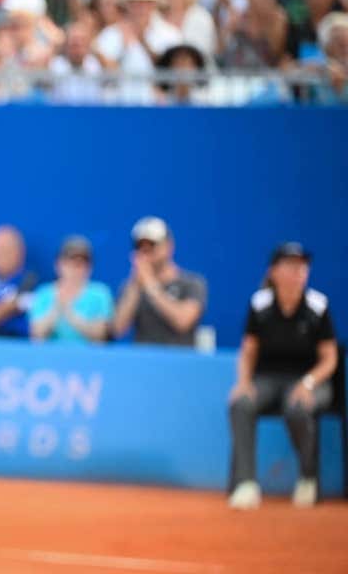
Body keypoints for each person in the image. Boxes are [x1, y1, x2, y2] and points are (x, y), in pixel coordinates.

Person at [228, 242, 338, 510]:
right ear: (274, 271)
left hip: (311, 380)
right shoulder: (259, 304)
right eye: (290, 266)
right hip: (268, 380)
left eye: (302, 267)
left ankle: (308, 478)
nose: (297, 272)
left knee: (297, 407)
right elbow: (247, 352)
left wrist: (308, 383)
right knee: (240, 404)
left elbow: (330, 359)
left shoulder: (318, 306)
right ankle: (245, 483)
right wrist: (243, 382)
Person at [112, 217, 208, 345]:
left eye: (152, 246)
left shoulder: (192, 283)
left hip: (180, 361)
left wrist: (151, 285)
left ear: (169, 246)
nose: (146, 252)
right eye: (140, 247)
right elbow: (117, 329)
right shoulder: (130, 286)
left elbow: (183, 322)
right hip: (143, 361)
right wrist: (135, 286)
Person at [29, 235, 114, 344]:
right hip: (50, 358)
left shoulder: (100, 293)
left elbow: (100, 334)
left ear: (90, 267)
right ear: (58, 265)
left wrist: (71, 315)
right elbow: (36, 335)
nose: (74, 269)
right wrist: (57, 310)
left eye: (80, 264)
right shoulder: (43, 293)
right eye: (69, 263)